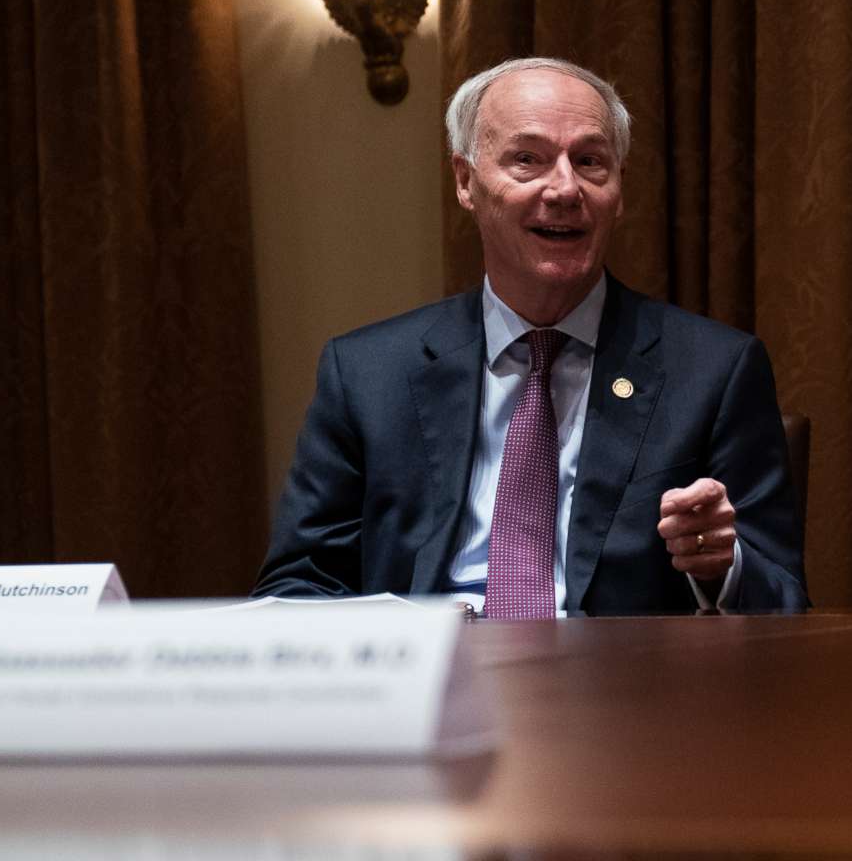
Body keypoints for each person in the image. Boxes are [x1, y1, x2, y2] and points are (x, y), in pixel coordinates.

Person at [257, 56, 806, 616]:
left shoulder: (715, 370)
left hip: (623, 690)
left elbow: (785, 600)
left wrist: (721, 565)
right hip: (431, 683)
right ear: (466, 182)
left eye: (591, 161)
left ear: (620, 189)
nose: (566, 188)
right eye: (528, 160)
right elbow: (300, 586)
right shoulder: (368, 374)